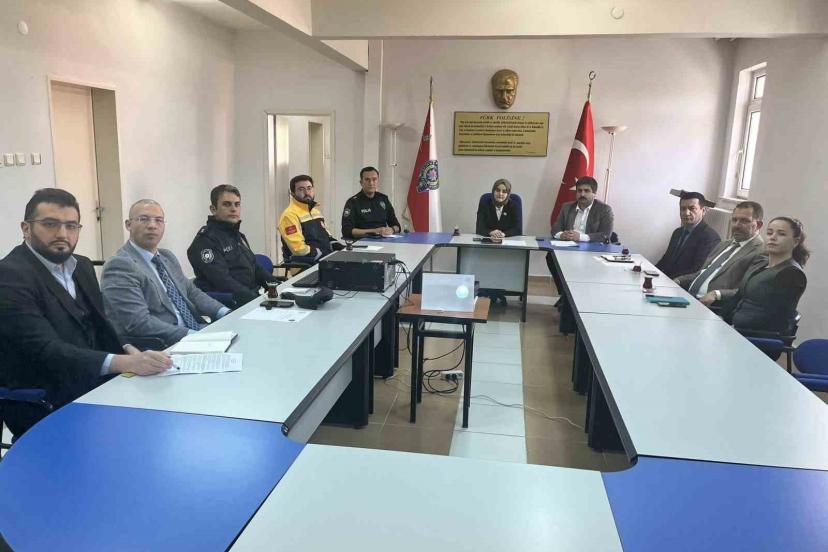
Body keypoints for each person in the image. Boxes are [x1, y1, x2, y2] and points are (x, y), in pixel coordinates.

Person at [0, 189, 171, 436]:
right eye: (50, 224)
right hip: (46, 396)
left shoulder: (81, 265)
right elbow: (45, 350)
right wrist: (125, 363)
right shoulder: (9, 276)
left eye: (71, 226)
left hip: (93, 382)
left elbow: (100, 325)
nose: (62, 234)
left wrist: (126, 349)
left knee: (164, 414)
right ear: (26, 228)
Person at [102, 200, 230, 349]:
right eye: (143, 219)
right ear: (128, 225)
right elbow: (138, 323)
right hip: (164, 346)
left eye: (158, 220)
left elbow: (192, 292)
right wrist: (194, 336)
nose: (152, 225)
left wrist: (225, 313)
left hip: (197, 331)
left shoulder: (167, 257)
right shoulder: (120, 265)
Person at [188, 185, 275, 307]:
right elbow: (222, 281)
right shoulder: (205, 241)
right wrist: (256, 301)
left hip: (251, 298)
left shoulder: (237, 235)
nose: (233, 209)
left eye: (237, 204)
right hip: (231, 305)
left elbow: (255, 267)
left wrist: (277, 286)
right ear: (213, 209)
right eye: (227, 204)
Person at [721, 217, 809, 334]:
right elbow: (739, 296)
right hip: (733, 328)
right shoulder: (761, 262)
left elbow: (774, 318)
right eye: (769, 233)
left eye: (781, 234)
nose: (773, 237)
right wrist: (721, 318)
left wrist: (734, 329)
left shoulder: (792, 274)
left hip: (754, 336)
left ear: (796, 241)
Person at [675, 201, 765, 306]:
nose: (736, 225)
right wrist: (679, 280)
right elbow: (702, 273)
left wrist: (717, 294)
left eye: (744, 221)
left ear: (758, 225)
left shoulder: (760, 252)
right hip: (689, 297)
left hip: (714, 306)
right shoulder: (724, 244)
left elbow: (748, 290)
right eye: (734, 220)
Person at [655, 191, 721, 278]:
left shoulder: (710, 237)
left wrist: (669, 279)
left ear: (703, 211)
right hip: (666, 280)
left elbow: (697, 270)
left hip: (682, 283)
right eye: (683, 209)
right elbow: (665, 260)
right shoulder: (677, 232)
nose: (686, 213)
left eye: (692, 208)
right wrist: (650, 272)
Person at [279, 174, 343, 264]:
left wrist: (342, 248)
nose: (306, 192)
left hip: (324, 261)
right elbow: (299, 249)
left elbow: (327, 237)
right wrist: (321, 254)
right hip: (304, 265)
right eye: (301, 189)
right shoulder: (289, 215)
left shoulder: (315, 212)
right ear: (292, 193)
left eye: (309, 188)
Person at [341, 166, 401, 239]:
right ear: (361, 182)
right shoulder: (352, 202)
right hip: (362, 242)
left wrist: (392, 230)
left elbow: (397, 226)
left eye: (374, 179)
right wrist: (375, 231)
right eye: (367, 180)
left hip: (384, 241)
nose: (371, 183)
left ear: (378, 181)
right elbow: (346, 231)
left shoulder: (384, 199)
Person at [550, 176, 614, 243]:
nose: (582, 194)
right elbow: (555, 229)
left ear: (594, 193)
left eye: (586, 191)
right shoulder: (566, 207)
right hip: (569, 246)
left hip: (593, 248)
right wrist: (561, 235)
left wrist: (580, 237)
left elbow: (605, 235)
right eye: (579, 191)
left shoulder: (604, 210)